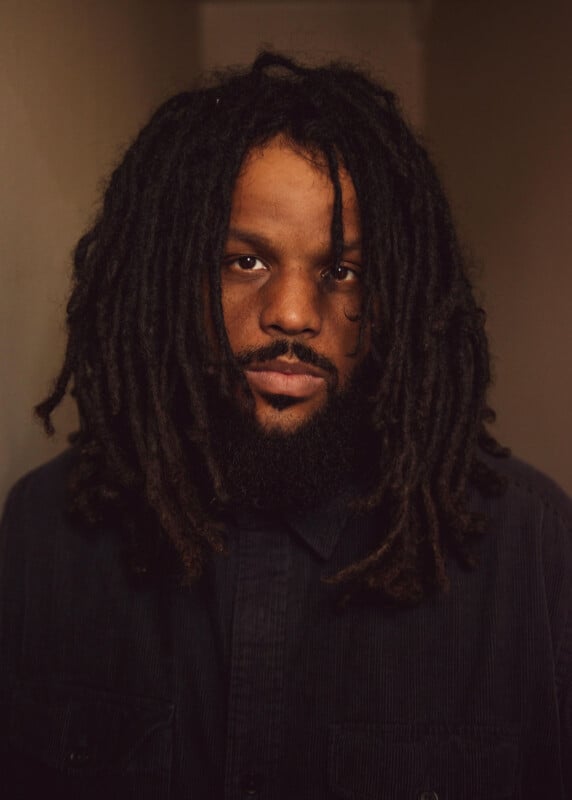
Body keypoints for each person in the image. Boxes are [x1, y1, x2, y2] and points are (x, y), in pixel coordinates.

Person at [1, 51, 570, 799]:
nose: (294, 314)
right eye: (245, 261)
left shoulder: (529, 548)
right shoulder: (46, 530)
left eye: (342, 272)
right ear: (169, 276)